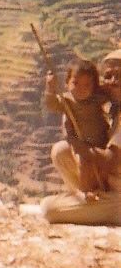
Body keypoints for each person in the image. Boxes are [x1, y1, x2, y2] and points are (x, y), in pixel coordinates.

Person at [41, 48, 121, 225]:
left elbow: (111, 160)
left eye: (119, 77)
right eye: (108, 76)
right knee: (61, 151)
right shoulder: (109, 107)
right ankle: (88, 197)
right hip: (107, 184)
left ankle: (90, 204)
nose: (113, 82)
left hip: (117, 198)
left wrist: (81, 147)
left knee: (48, 209)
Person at [42, 57, 109, 193]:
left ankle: (103, 191)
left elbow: (110, 95)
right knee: (84, 165)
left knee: (102, 169)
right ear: (67, 83)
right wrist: (50, 87)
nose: (80, 89)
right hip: (81, 144)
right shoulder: (66, 101)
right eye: (75, 83)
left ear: (94, 87)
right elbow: (51, 104)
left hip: (101, 143)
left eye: (87, 85)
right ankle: (86, 193)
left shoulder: (96, 99)